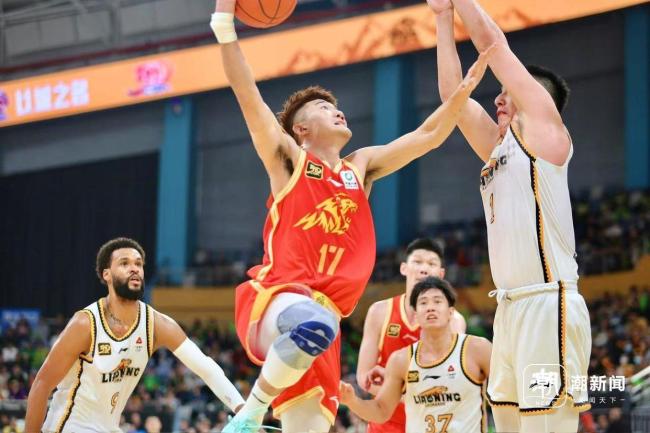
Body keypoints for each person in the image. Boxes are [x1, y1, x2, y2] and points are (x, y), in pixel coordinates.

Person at [209, 0, 491, 430]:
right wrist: (224, 23)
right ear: (301, 130)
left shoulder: (359, 167)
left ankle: (253, 416)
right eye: (323, 109)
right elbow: (247, 93)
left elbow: (429, 134)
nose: (337, 110)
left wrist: (463, 92)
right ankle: (249, 414)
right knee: (314, 321)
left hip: (326, 327)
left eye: (336, 106)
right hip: (281, 296)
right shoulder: (289, 160)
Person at [430, 0, 591, 431]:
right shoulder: (497, 150)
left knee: (545, 425)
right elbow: (453, 98)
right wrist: (442, 17)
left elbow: (492, 43)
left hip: (547, 305)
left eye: (507, 91)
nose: (498, 97)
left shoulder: (545, 135)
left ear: (535, 99)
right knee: (507, 423)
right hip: (509, 310)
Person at [25, 237, 245, 433]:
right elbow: (42, 383)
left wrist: (244, 412)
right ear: (107, 275)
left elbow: (206, 368)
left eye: (138, 264)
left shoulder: (157, 325)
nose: (134, 269)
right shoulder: (85, 324)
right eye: (124, 263)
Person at [340, 276, 491, 432]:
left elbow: (503, 392)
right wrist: (352, 400)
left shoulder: (478, 349)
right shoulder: (400, 361)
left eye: (437, 301)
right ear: (416, 316)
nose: (430, 307)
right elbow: (381, 411)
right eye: (423, 303)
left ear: (451, 312)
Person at [356, 238, 466, 432]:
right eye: (417, 261)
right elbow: (364, 376)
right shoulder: (380, 311)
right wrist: (411, 394)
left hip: (432, 423)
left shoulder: (454, 321)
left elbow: (449, 381)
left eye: (431, 263)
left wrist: (398, 390)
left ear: (441, 274)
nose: (424, 269)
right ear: (404, 268)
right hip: (385, 424)